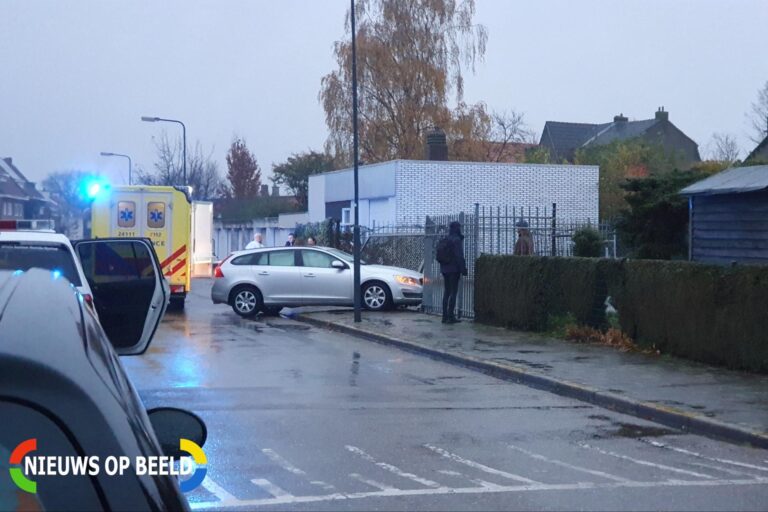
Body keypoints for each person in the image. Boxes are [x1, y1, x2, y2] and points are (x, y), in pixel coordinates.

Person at [439, 221, 467, 324]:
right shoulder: (456, 240)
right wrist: (463, 269)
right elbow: (459, 256)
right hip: (454, 270)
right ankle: (451, 316)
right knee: (453, 293)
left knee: (446, 292)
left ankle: (444, 316)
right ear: (457, 228)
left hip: (444, 269)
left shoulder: (446, 239)